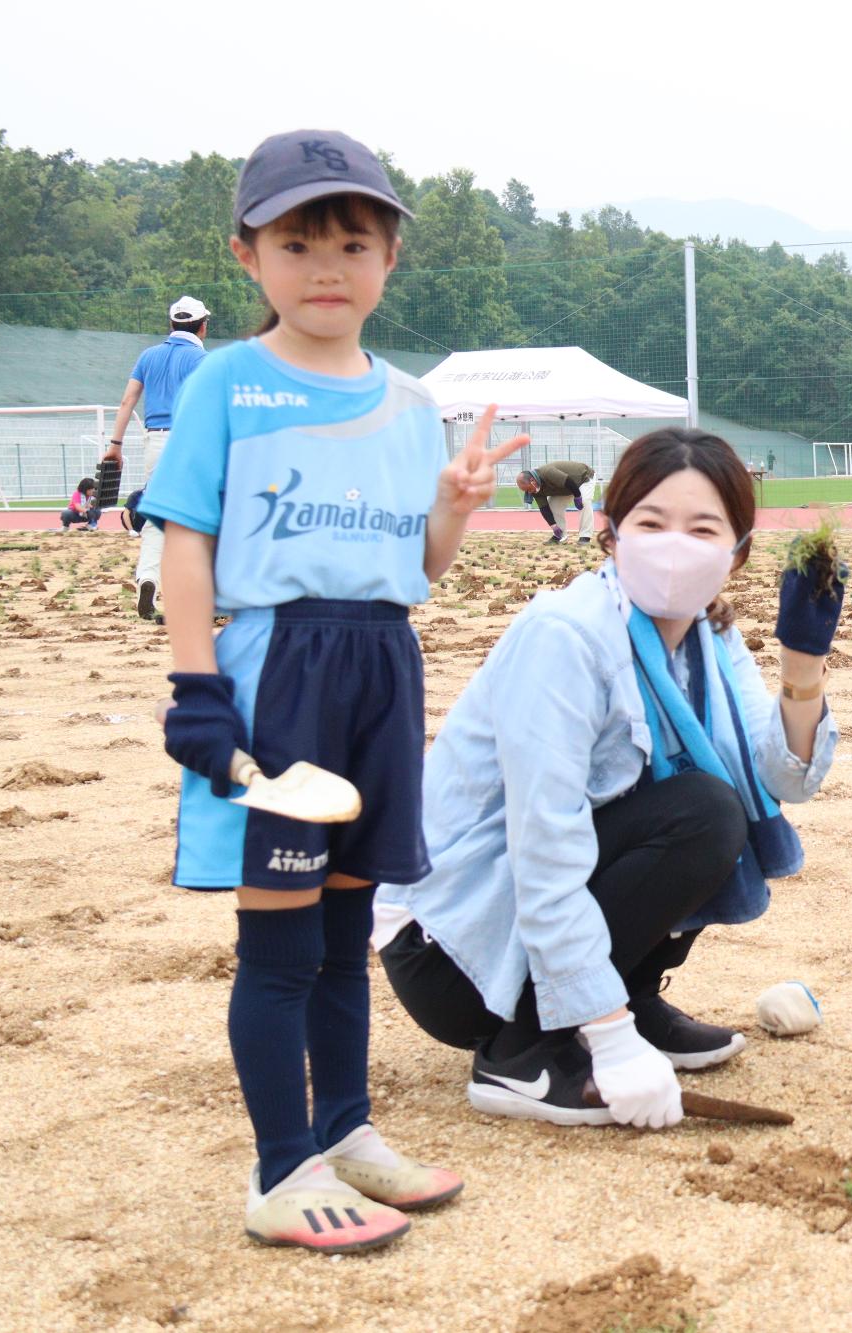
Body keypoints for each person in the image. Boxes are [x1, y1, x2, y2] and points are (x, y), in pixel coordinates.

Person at [138, 129, 527, 1253]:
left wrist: (453, 504)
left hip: (380, 669)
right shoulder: (227, 379)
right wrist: (197, 687)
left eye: (352, 241)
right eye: (296, 239)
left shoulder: (410, 404)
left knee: (349, 922)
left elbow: (418, 572)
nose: (326, 264)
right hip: (277, 673)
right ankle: (279, 1168)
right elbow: (189, 542)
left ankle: (346, 1126)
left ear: (389, 260)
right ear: (246, 254)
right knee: (280, 942)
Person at [376, 428, 842, 1132]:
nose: (674, 544)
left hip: (529, 927)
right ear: (610, 532)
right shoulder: (566, 635)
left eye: (703, 527)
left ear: (739, 550)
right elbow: (543, 842)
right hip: (456, 952)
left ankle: (622, 991)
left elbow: (782, 777)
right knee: (701, 811)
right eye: (651, 523)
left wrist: (803, 664)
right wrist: (612, 1038)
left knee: (723, 804)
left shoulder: (712, 639)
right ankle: (526, 1045)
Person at [109, 295, 211, 620]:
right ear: (203, 326)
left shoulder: (148, 356)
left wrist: (115, 445)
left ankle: (148, 579)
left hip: (155, 441)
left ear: (171, 324)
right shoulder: (201, 360)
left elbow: (127, 402)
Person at [516, 461, 598, 544]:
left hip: (583, 478)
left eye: (528, 489)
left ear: (532, 480)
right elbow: (544, 508)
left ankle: (585, 536)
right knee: (552, 505)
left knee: (584, 501)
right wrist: (554, 526)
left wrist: (577, 496)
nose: (529, 493)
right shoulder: (534, 490)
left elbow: (568, 481)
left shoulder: (547, 472)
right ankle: (560, 535)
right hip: (565, 487)